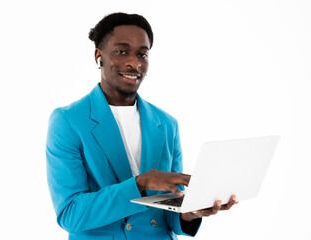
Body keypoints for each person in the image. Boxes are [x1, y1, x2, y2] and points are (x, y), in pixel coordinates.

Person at [46, 12, 237, 240]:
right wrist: (141, 183)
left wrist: (192, 212)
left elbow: (170, 213)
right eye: (121, 51)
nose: (134, 63)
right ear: (99, 57)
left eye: (142, 54)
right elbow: (70, 214)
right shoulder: (68, 121)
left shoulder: (167, 125)